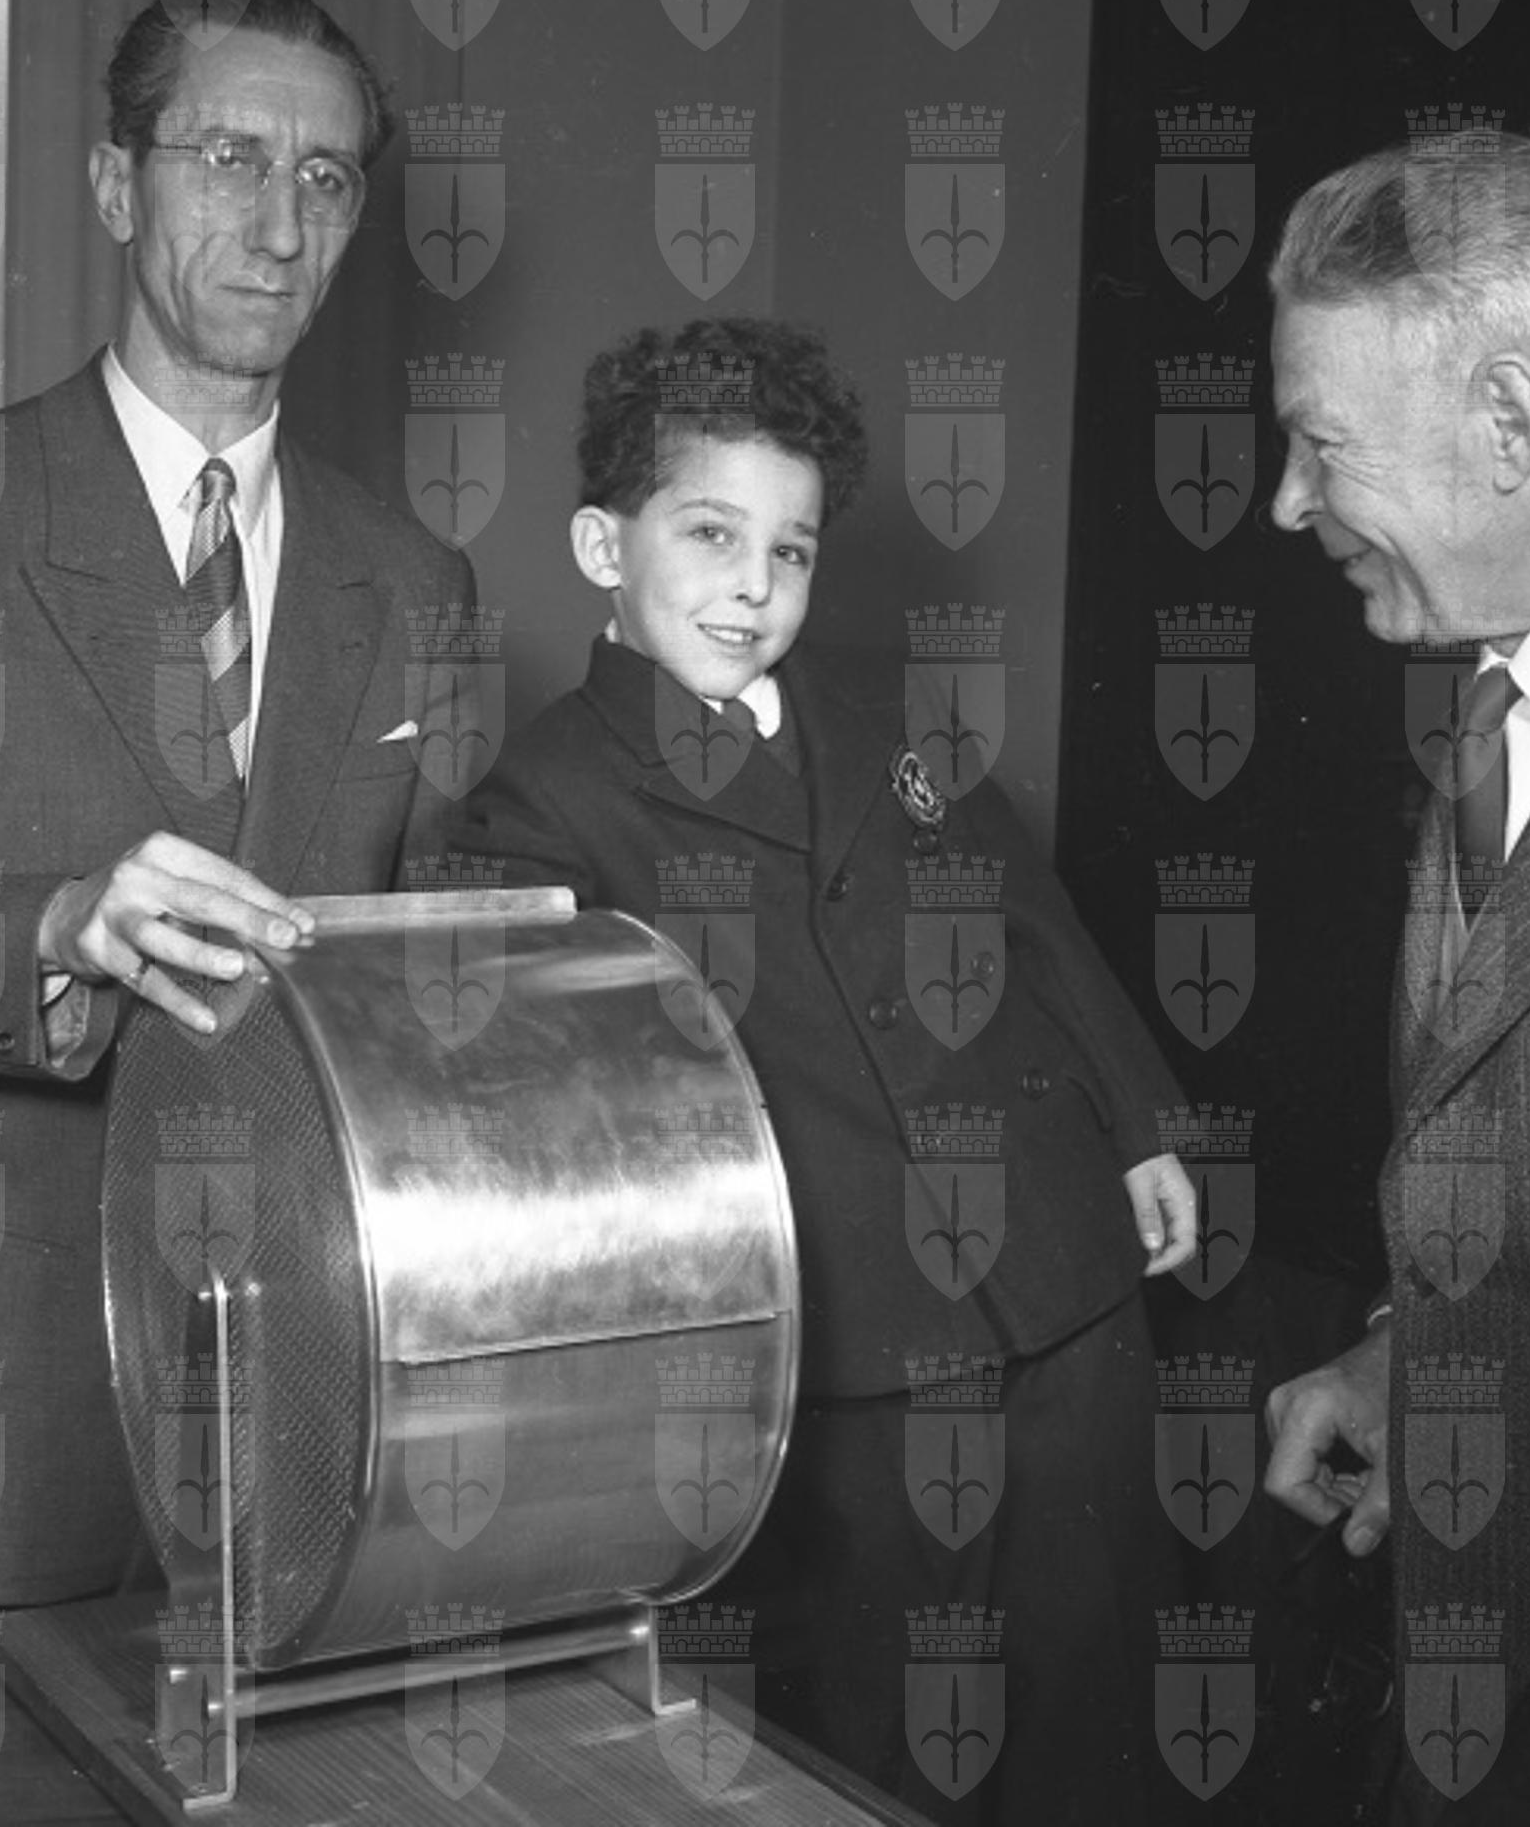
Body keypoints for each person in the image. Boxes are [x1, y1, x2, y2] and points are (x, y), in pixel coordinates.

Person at [0, 0, 474, 1616]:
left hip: (313, 1424)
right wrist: (55, 927)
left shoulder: (414, 580)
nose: (280, 226)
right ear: (117, 184)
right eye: (228, 158)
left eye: (325, 177)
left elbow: (428, 980)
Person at [452, 318, 1195, 1824]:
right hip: (846, 1346)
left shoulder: (886, 722)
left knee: (1092, 1702)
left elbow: (1034, 924)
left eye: (789, 552)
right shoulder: (540, 802)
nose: (754, 585)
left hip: (1061, 1280)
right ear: (602, 546)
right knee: (881, 1743)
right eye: (710, 534)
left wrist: (1141, 1123)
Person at [1263, 136, 1530, 1823]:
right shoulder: (1486, 717)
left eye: (1320, 445)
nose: (1284, 502)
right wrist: (1411, 1353)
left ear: (1509, 422)